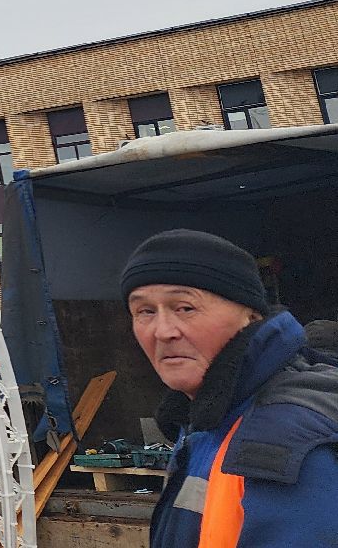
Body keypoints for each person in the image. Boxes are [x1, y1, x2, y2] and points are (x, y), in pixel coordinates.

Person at [121, 229, 338, 547]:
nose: (162, 331)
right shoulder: (212, 416)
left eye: (185, 308)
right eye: (145, 311)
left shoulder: (279, 441)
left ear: (250, 317)